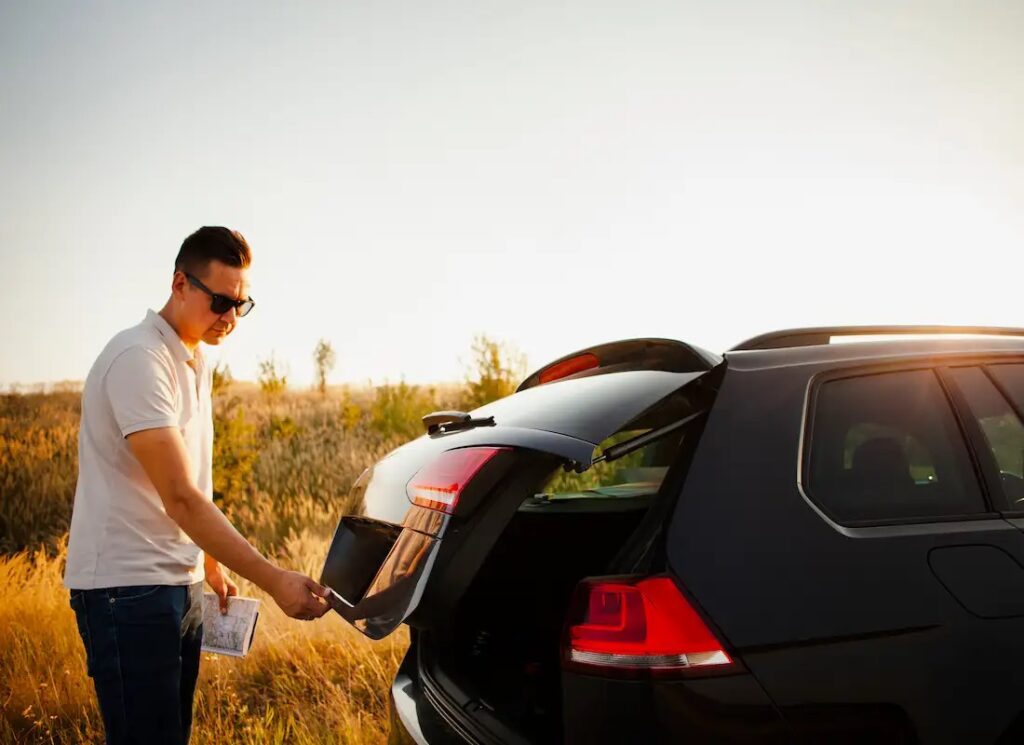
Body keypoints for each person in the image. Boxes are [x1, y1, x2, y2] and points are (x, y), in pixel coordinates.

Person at [63, 226, 329, 745]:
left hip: (174, 583)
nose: (230, 318)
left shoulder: (193, 360)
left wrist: (207, 561)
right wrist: (274, 579)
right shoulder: (139, 359)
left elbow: (184, 488)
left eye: (241, 304)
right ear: (180, 282)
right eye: (221, 302)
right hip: (127, 591)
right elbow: (180, 495)